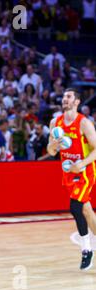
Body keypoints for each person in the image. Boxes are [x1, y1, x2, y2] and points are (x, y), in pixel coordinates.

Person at [47, 88, 96, 270]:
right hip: (68, 172)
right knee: (87, 212)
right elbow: (51, 151)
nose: (64, 99)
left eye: (69, 97)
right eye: (64, 96)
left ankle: (86, 250)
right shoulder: (55, 123)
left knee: (75, 207)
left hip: (85, 171)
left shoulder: (84, 123)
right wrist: (53, 145)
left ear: (77, 102)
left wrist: (81, 163)